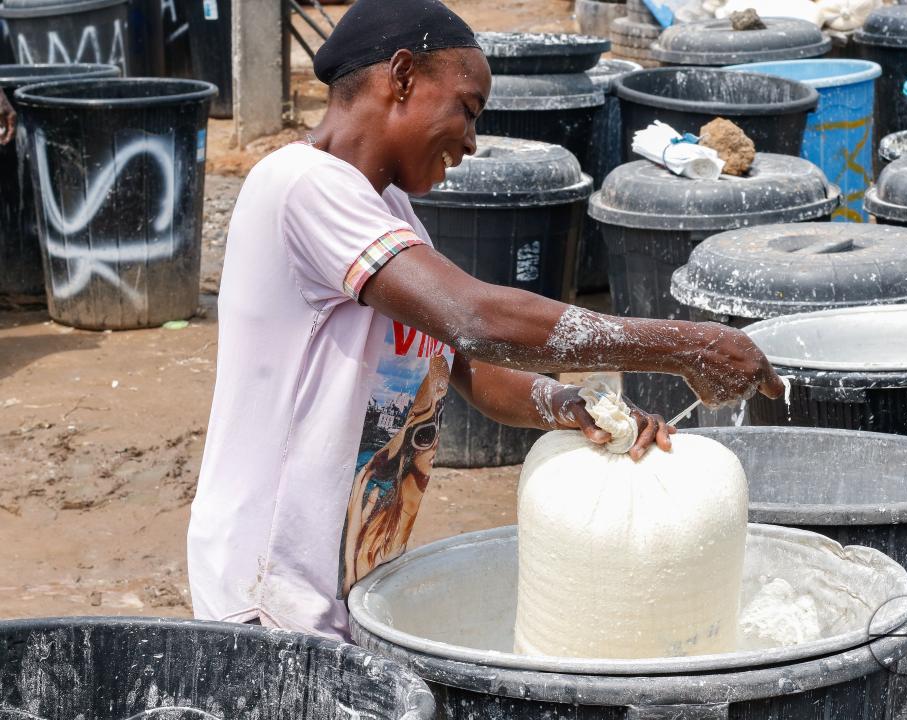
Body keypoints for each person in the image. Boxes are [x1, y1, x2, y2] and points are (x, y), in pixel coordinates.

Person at [187, 0, 785, 640]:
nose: (470, 143)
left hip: (331, 594)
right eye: (467, 110)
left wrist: (575, 406)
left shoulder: (382, 209)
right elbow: (474, 319)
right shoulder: (303, 184)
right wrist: (686, 344)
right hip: (266, 592)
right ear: (403, 76)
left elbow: (467, 362)